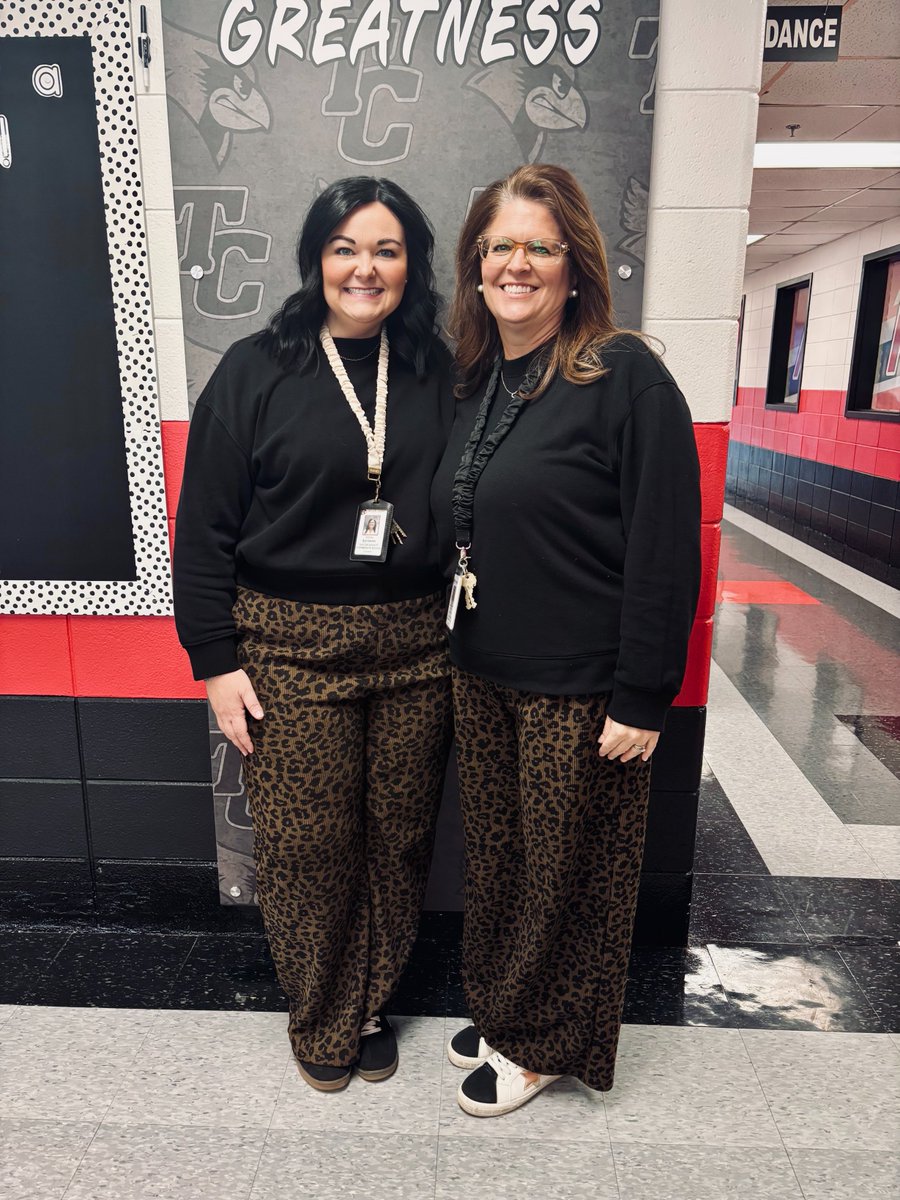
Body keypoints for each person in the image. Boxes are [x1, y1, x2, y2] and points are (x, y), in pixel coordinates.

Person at [173, 176, 454, 1092]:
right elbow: (204, 525)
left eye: (385, 249)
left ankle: (369, 1000)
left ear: (411, 265)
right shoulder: (256, 369)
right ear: (316, 260)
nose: (364, 268)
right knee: (306, 845)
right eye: (345, 248)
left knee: (397, 840)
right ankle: (322, 1014)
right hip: (287, 646)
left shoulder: (439, 371)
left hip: (418, 646)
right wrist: (216, 662)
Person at [432, 164, 701, 1117]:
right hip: (485, 669)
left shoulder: (626, 375)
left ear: (575, 265)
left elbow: (667, 545)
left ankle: (543, 1042)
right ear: (475, 266)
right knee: (502, 863)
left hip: (581, 688)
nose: (515, 264)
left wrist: (643, 694)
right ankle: (510, 1005)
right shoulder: (481, 379)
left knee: (565, 873)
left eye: (538, 247)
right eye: (498, 246)